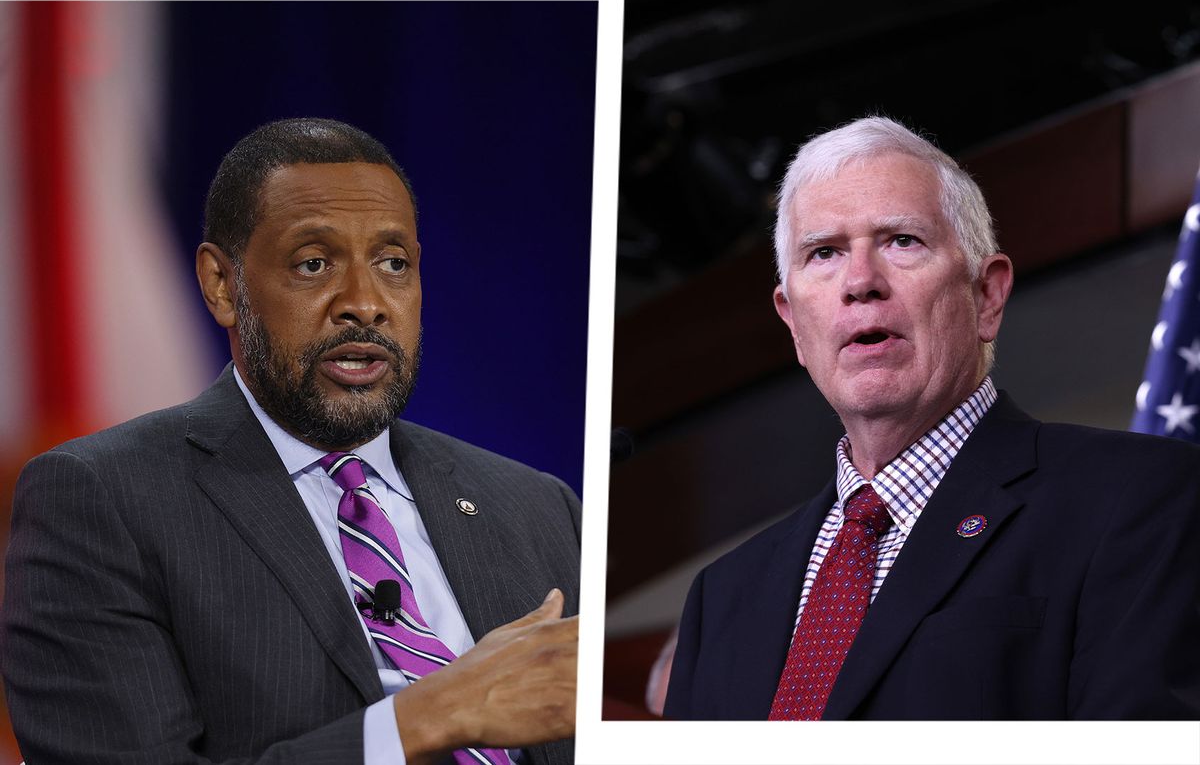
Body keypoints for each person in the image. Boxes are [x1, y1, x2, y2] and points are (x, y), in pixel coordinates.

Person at [2, 118, 581, 763]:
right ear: (223, 285)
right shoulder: (102, 500)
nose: (365, 302)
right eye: (313, 264)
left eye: (393, 264)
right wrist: (423, 720)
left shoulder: (536, 506)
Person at [664, 116, 1200, 720]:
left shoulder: (1135, 495)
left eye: (902, 241)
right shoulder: (722, 597)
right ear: (792, 321)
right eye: (824, 253)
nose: (860, 282)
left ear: (988, 296)